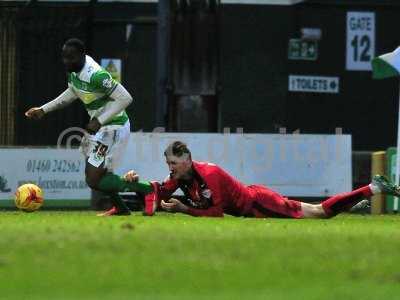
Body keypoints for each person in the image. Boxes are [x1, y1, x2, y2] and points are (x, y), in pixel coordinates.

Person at [25, 38, 152, 216]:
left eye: (71, 57)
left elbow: (126, 98)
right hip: (100, 128)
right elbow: (72, 92)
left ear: (82, 55)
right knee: (96, 174)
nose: (66, 61)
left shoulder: (96, 75)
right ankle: (121, 208)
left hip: (113, 127)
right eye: (64, 57)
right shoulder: (74, 71)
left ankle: (147, 190)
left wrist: (100, 120)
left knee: (94, 179)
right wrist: (44, 109)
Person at [124, 140, 400, 218]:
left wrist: (184, 208)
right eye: (168, 163)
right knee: (315, 208)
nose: (169, 168)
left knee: (319, 213)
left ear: (186, 161)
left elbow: (217, 213)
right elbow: (158, 191)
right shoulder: (180, 176)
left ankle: (373, 187)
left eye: (173, 163)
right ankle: (353, 205)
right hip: (253, 202)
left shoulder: (209, 174)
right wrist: (132, 182)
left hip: (258, 204)